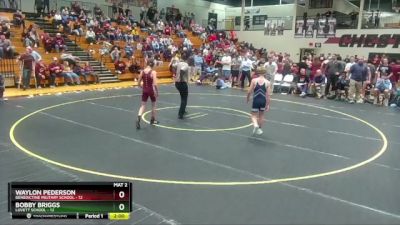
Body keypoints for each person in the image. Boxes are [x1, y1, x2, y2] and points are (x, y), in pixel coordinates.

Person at [247, 66, 271, 135]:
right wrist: (268, 104)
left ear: (257, 72)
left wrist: (248, 98)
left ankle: (255, 125)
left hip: (256, 100)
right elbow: (268, 95)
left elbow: (249, 91)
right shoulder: (267, 82)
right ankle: (259, 129)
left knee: (253, 115)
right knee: (261, 115)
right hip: (263, 101)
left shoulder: (254, 80)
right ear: (265, 73)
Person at [136, 60, 159, 129]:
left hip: (145, 90)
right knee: (153, 104)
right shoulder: (153, 72)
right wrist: (157, 92)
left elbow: (138, 83)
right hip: (151, 90)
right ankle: (152, 120)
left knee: (143, 105)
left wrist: (142, 87)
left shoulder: (142, 71)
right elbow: (155, 84)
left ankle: (138, 118)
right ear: (152, 65)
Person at [175, 54, 190, 119]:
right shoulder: (186, 64)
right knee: (184, 98)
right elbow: (182, 70)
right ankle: (181, 113)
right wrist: (181, 79)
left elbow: (173, 66)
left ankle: (183, 110)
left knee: (182, 97)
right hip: (182, 83)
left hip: (177, 83)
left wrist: (176, 75)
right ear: (187, 59)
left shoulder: (178, 63)